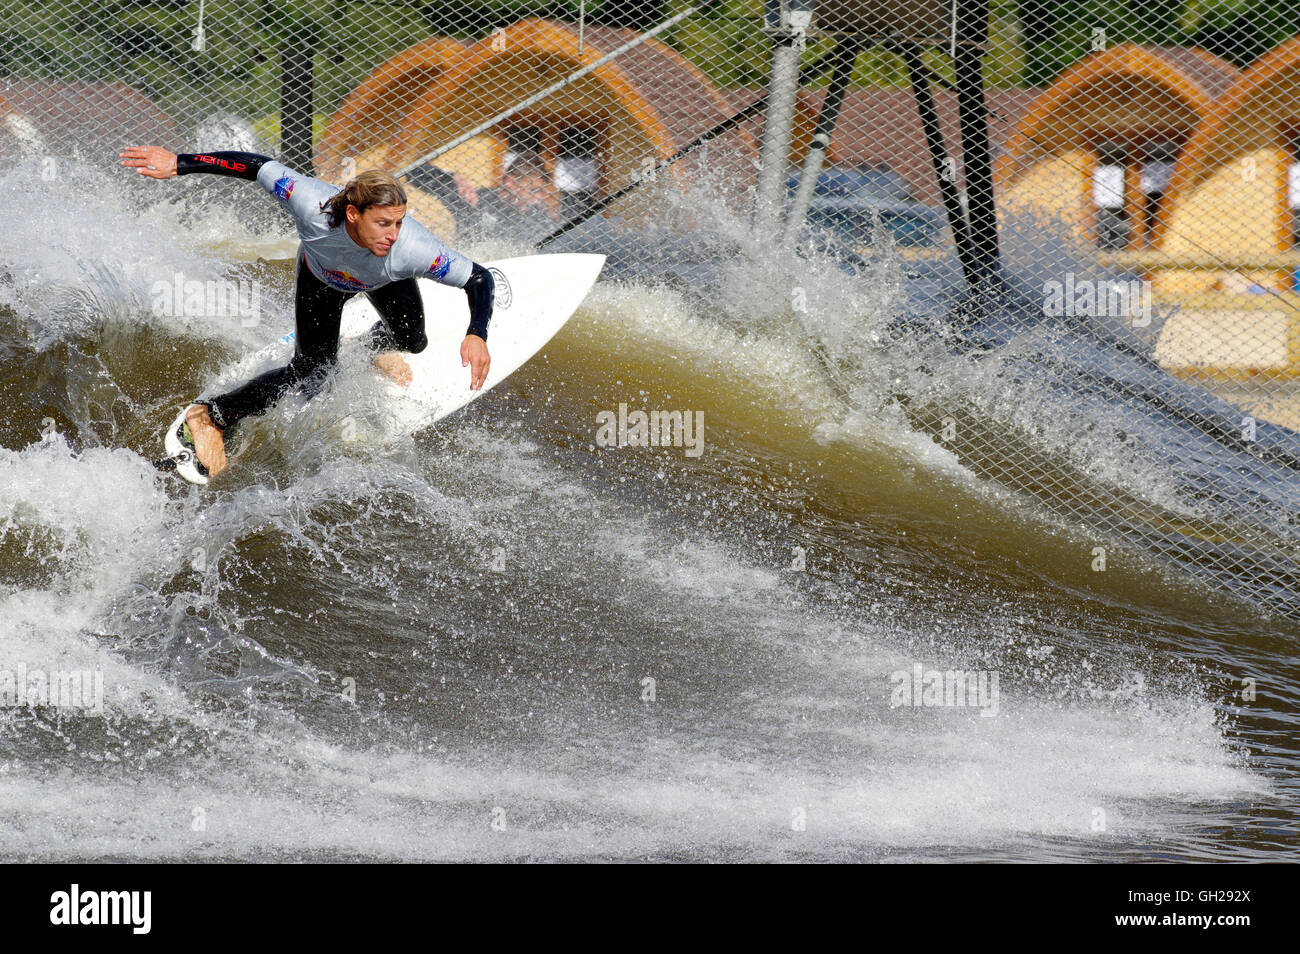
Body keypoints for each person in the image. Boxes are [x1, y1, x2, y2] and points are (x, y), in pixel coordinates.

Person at [119, 145, 493, 479]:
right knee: (312, 373)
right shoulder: (310, 202)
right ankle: (210, 415)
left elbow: (478, 279)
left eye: (398, 222)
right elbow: (256, 166)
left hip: (383, 277)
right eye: (383, 223)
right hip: (322, 280)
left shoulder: (410, 249)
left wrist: (477, 333)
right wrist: (179, 163)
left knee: (412, 341)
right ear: (352, 213)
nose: (394, 233)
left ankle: (366, 348)